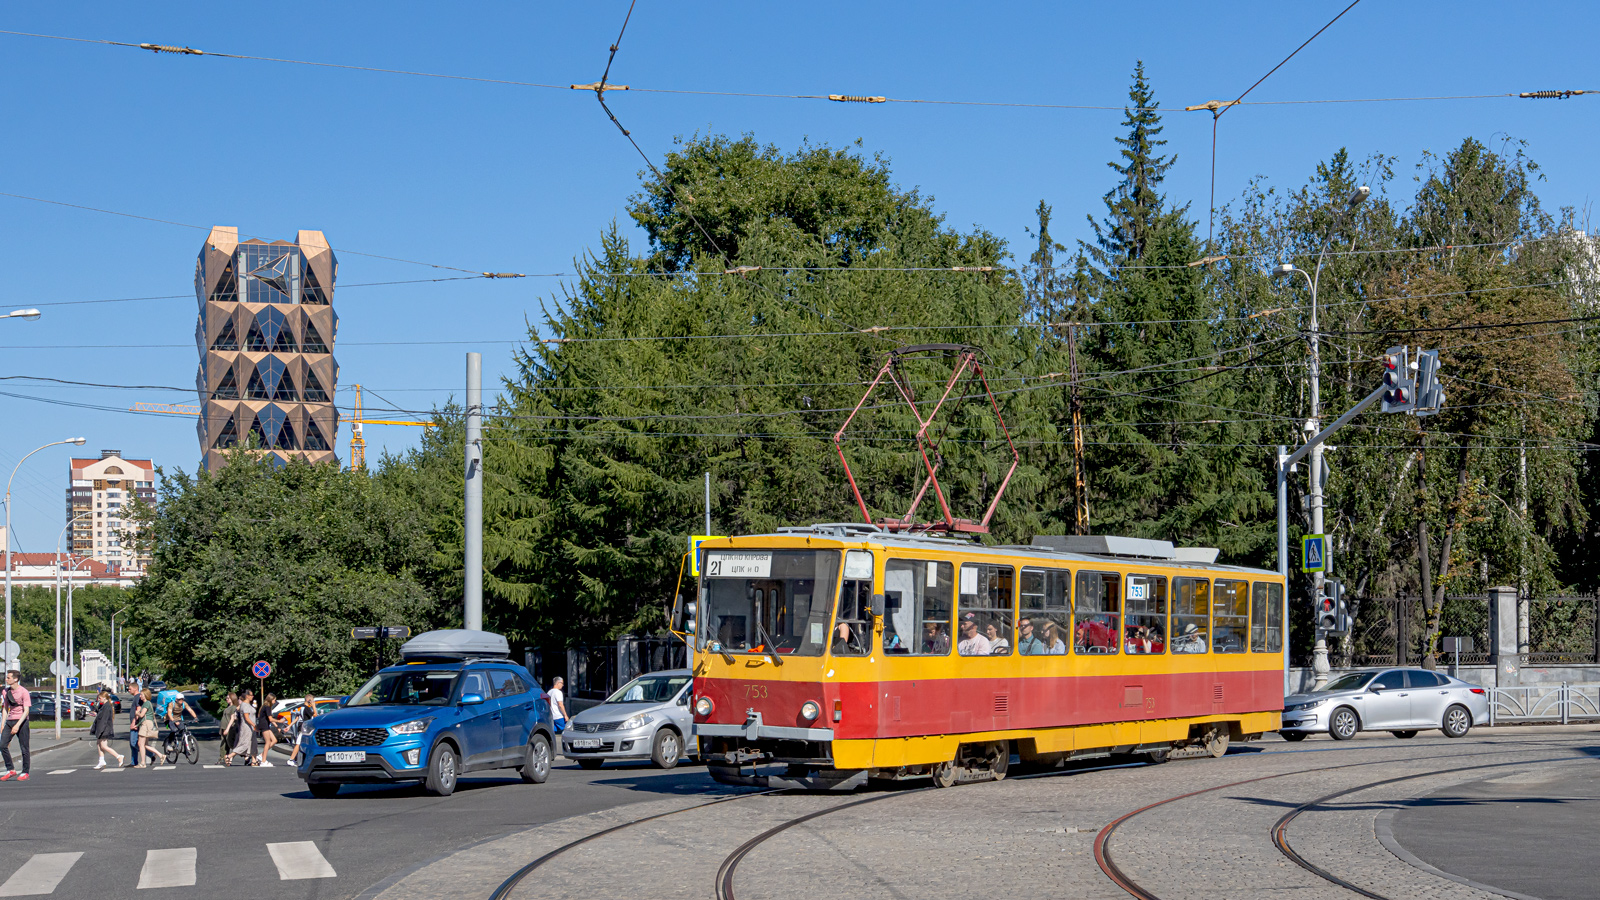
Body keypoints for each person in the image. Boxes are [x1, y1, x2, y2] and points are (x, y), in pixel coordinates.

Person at [0, 671, 31, 781]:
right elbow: (5, 708)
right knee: (2, 745)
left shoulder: (24, 692)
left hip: (21, 721)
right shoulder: (5, 691)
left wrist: (17, 725)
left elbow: (26, 711)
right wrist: (2, 724)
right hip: (10, 721)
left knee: (24, 748)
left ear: (15, 679)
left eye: (8, 678)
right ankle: (11, 769)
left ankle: (25, 772)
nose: (6, 679)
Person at [90, 689, 125, 769]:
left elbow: (104, 720)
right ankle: (101, 760)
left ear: (104, 698)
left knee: (104, 746)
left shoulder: (107, 707)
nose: (99, 700)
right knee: (99, 744)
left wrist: (100, 731)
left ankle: (119, 756)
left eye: (100, 698)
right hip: (102, 728)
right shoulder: (103, 706)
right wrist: (96, 713)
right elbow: (101, 716)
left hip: (104, 729)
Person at [225, 689, 257, 766]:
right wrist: (254, 725)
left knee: (252, 743)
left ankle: (254, 760)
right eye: (251, 695)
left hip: (250, 727)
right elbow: (246, 718)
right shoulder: (245, 705)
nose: (252, 696)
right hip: (247, 727)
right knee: (244, 744)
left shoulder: (247, 705)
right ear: (247, 696)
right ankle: (229, 756)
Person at [133, 688, 162, 768]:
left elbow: (142, 715)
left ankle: (143, 763)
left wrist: (137, 713)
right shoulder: (147, 703)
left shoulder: (146, 703)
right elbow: (145, 717)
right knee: (144, 744)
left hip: (146, 724)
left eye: (141, 694)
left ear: (145, 695)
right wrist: (138, 724)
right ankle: (160, 755)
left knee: (140, 744)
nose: (140, 696)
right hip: (145, 723)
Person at [288, 694, 318, 765]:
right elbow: (315, 715)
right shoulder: (307, 708)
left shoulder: (301, 707)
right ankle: (291, 759)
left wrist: (289, 726)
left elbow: (297, 718)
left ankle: (300, 759)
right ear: (309, 701)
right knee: (298, 743)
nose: (313, 703)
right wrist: (314, 707)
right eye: (312, 701)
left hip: (301, 726)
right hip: (304, 728)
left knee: (302, 743)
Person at [256, 693, 281, 766]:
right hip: (264, 726)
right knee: (268, 742)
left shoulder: (265, 706)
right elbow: (270, 718)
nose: (274, 701)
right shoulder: (267, 707)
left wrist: (277, 726)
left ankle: (261, 755)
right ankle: (263, 761)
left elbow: (269, 719)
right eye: (274, 700)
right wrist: (279, 721)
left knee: (274, 740)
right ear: (271, 699)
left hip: (265, 725)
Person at [217, 692, 239, 765]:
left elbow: (233, 718)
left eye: (228, 698)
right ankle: (222, 758)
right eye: (226, 698)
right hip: (224, 727)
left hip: (229, 728)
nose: (226, 699)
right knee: (223, 744)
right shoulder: (228, 707)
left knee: (231, 744)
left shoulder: (234, 707)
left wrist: (227, 729)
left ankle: (245, 756)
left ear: (232, 698)